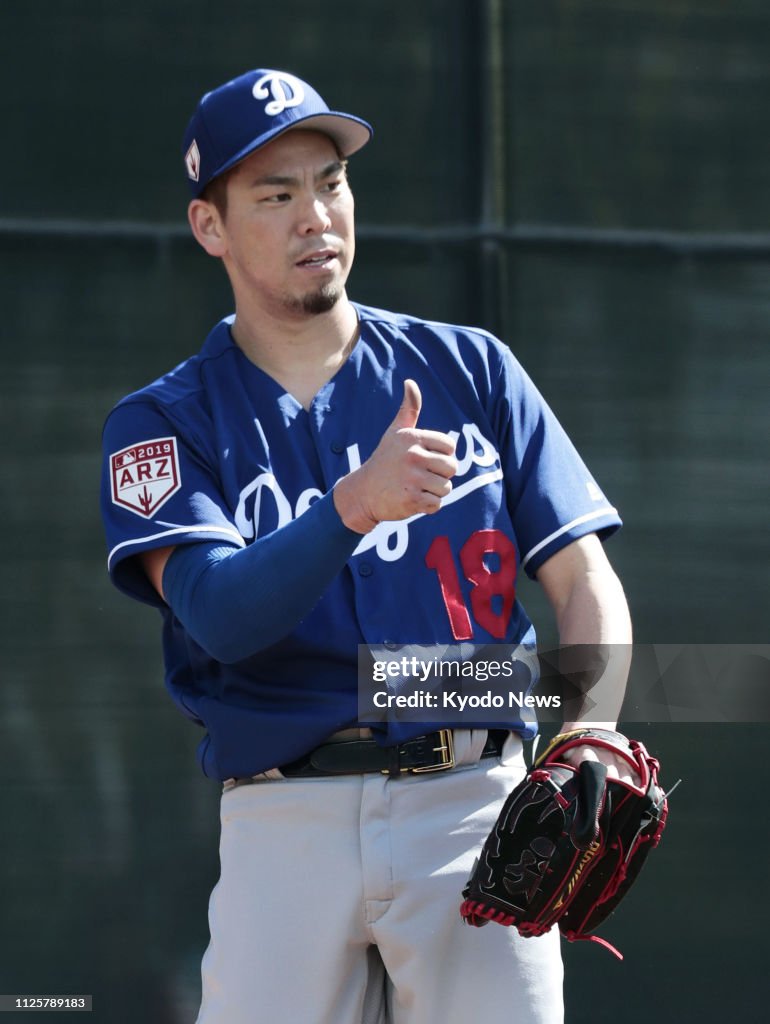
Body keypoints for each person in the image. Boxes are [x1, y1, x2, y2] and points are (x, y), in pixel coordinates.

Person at [100, 68, 634, 1024]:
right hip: (282, 821)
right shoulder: (162, 424)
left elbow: (583, 571)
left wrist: (589, 725)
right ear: (210, 227)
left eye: (330, 183)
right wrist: (349, 508)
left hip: (473, 805)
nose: (316, 215)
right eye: (275, 194)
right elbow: (220, 616)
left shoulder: (471, 369)